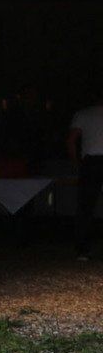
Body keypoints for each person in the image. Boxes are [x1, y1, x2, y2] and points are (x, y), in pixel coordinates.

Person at [68, 101, 103, 260]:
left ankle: (82, 249)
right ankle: (83, 248)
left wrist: (77, 164)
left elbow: (71, 141)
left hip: (91, 163)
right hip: (92, 162)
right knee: (86, 206)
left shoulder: (83, 113)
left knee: (85, 206)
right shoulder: (83, 113)